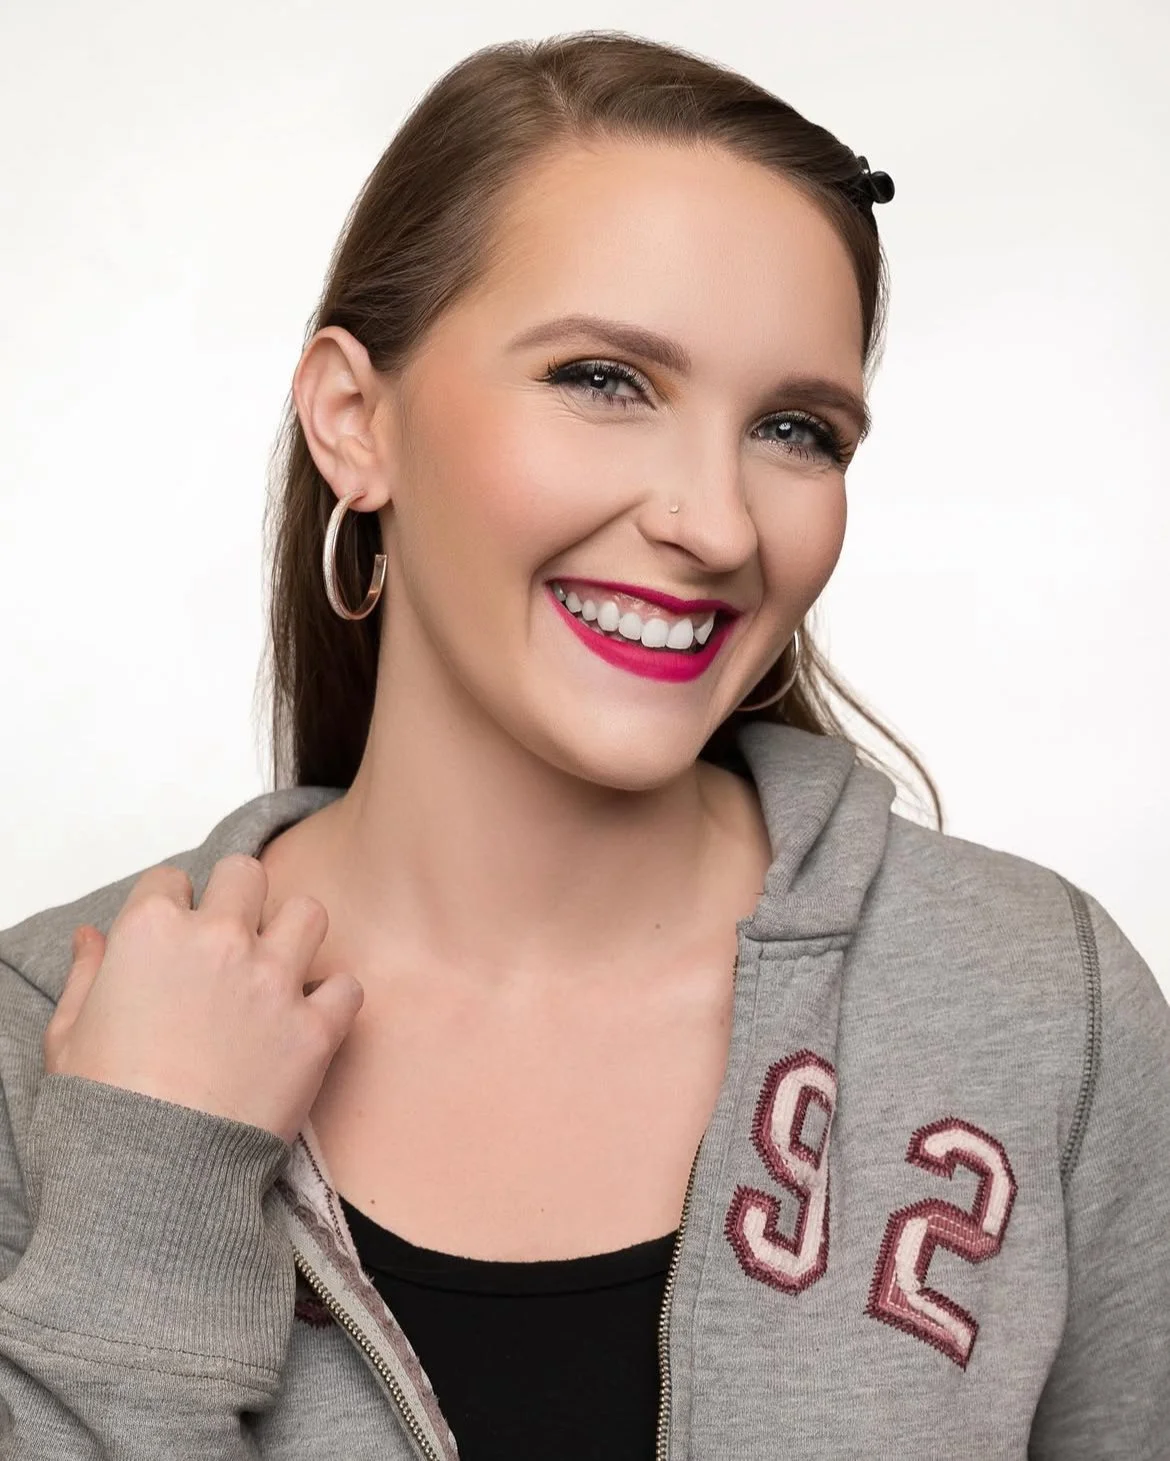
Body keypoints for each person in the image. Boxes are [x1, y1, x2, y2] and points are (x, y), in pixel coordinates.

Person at [0, 28, 1166, 1461]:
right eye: (604, 381)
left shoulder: (1042, 1005)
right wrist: (147, 1189)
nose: (719, 525)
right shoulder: (43, 1036)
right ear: (353, 422)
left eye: (795, 429)